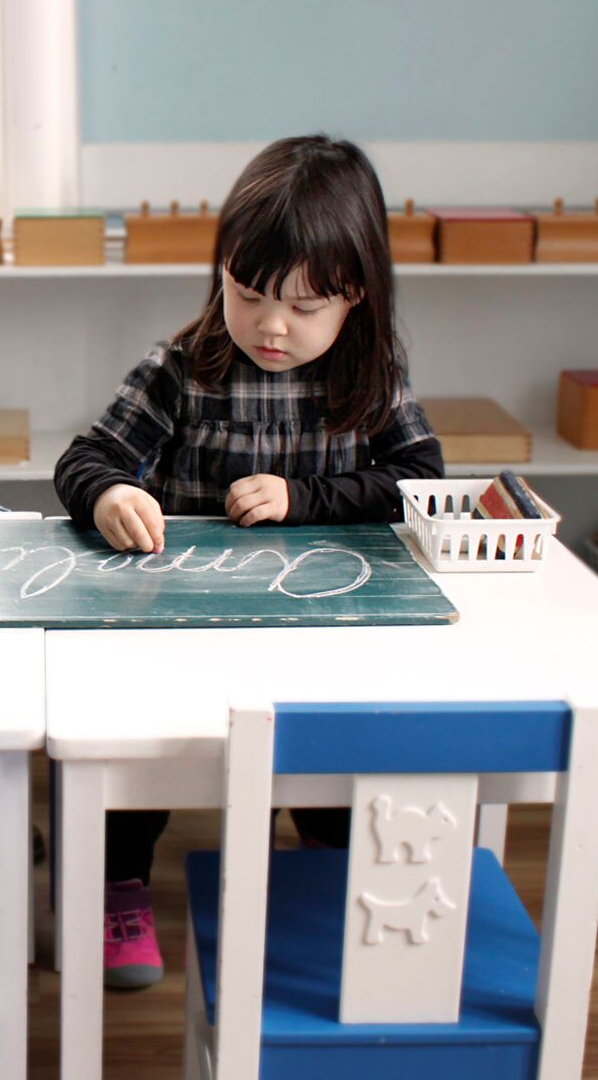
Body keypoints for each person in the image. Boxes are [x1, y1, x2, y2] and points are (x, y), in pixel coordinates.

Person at [52, 134, 446, 988]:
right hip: (184, 625)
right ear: (221, 273)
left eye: (306, 307)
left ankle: (332, 876)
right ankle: (117, 881)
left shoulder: (370, 377)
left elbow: (418, 479)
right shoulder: (185, 366)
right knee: (139, 749)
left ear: (357, 300)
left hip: (326, 630)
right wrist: (109, 495)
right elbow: (85, 460)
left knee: (334, 759)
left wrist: (305, 499)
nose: (272, 325)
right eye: (248, 293)